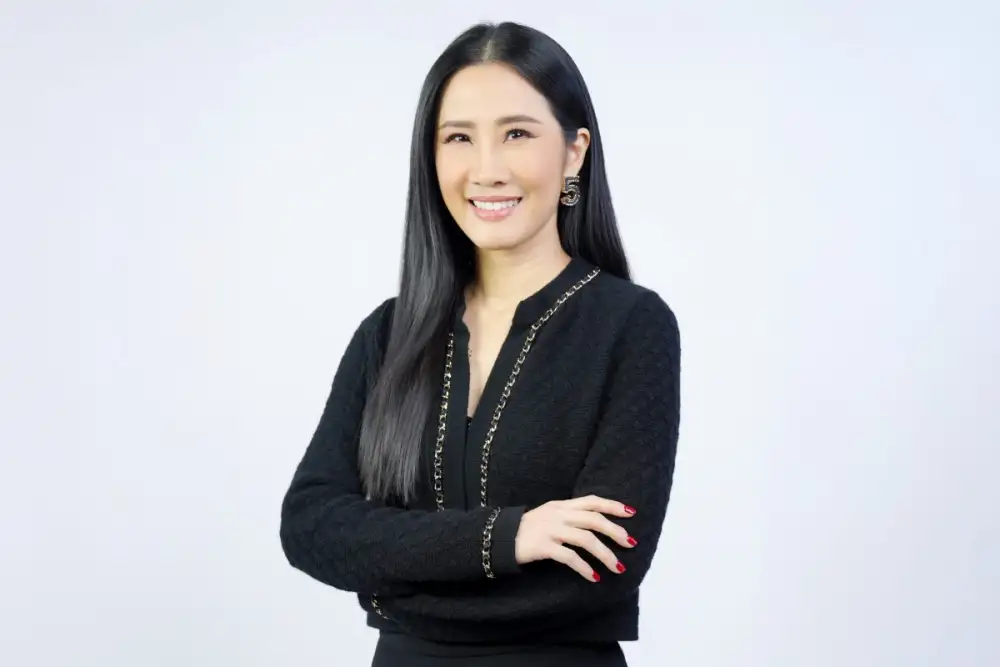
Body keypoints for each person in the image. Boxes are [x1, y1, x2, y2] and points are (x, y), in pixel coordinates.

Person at [279, 20, 681, 667]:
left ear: (574, 152)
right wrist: (509, 537)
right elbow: (310, 525)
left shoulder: (631, 326)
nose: (487, 169)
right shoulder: (388, 334)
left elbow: (605, 564)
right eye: (459, 137)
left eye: (517, 133)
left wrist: (394, 590)